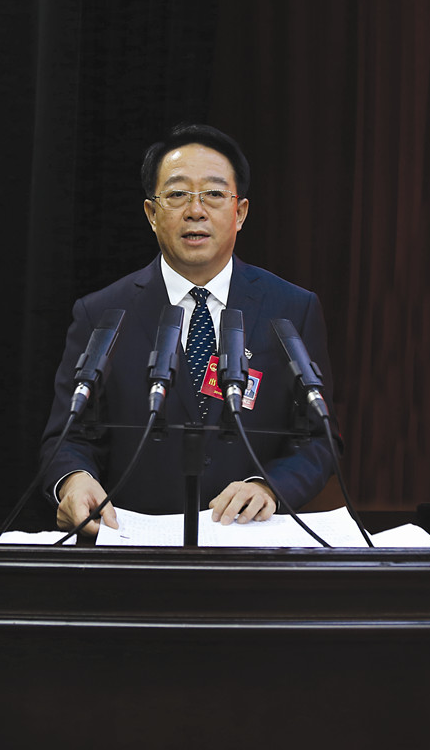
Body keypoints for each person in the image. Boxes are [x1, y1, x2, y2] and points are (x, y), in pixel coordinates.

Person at [41, 124, 340, 536]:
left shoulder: (291, 309)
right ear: (152, 214)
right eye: (178, 194)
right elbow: (68, 436)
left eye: (214, 194)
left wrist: (269, 486)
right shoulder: (102, 313)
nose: (195, 211)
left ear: (240, 213)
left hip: (250, 543)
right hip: (134, 544)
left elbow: (319, 439)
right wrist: (74, 479)